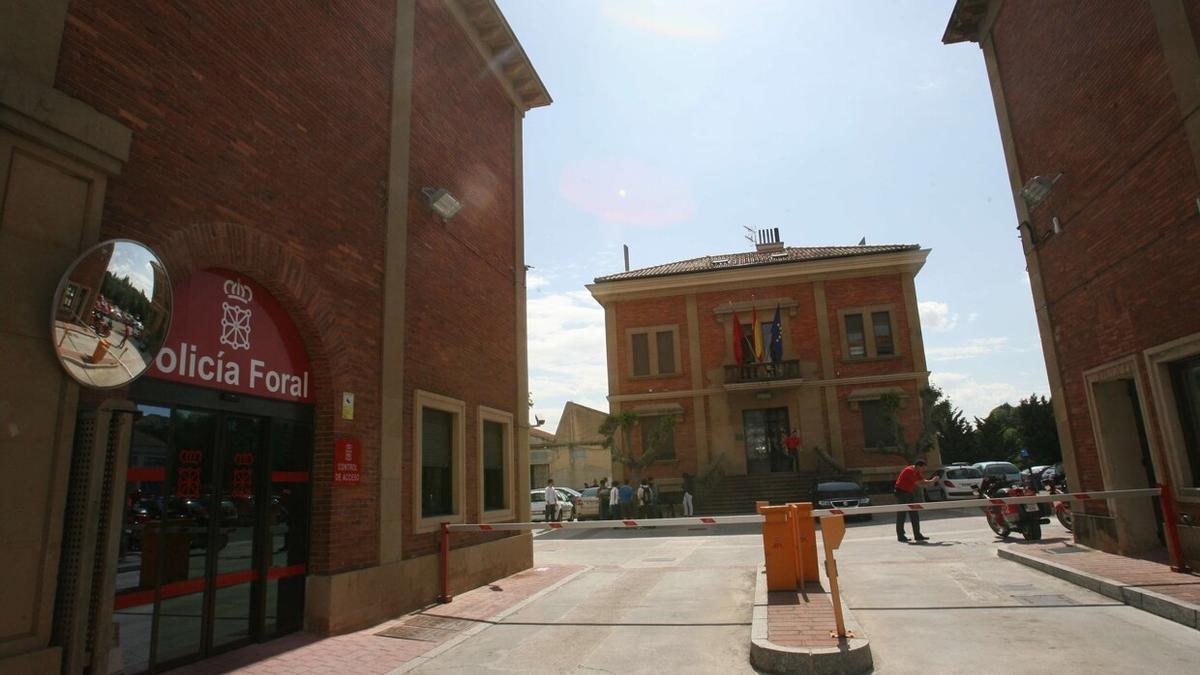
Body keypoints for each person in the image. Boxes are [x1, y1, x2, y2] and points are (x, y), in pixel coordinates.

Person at [894, 459, 936, 542]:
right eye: (923, 468)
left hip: (909, 492)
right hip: (901, 492)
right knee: (901, 514)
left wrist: (932, 481)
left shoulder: (917, 471)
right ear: (918, 466)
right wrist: (932, 481)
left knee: (914, 512)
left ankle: (917, 535)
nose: (924, 470)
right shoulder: (909, 470)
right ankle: (901, 536)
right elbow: (918, 483)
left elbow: (923, 481)